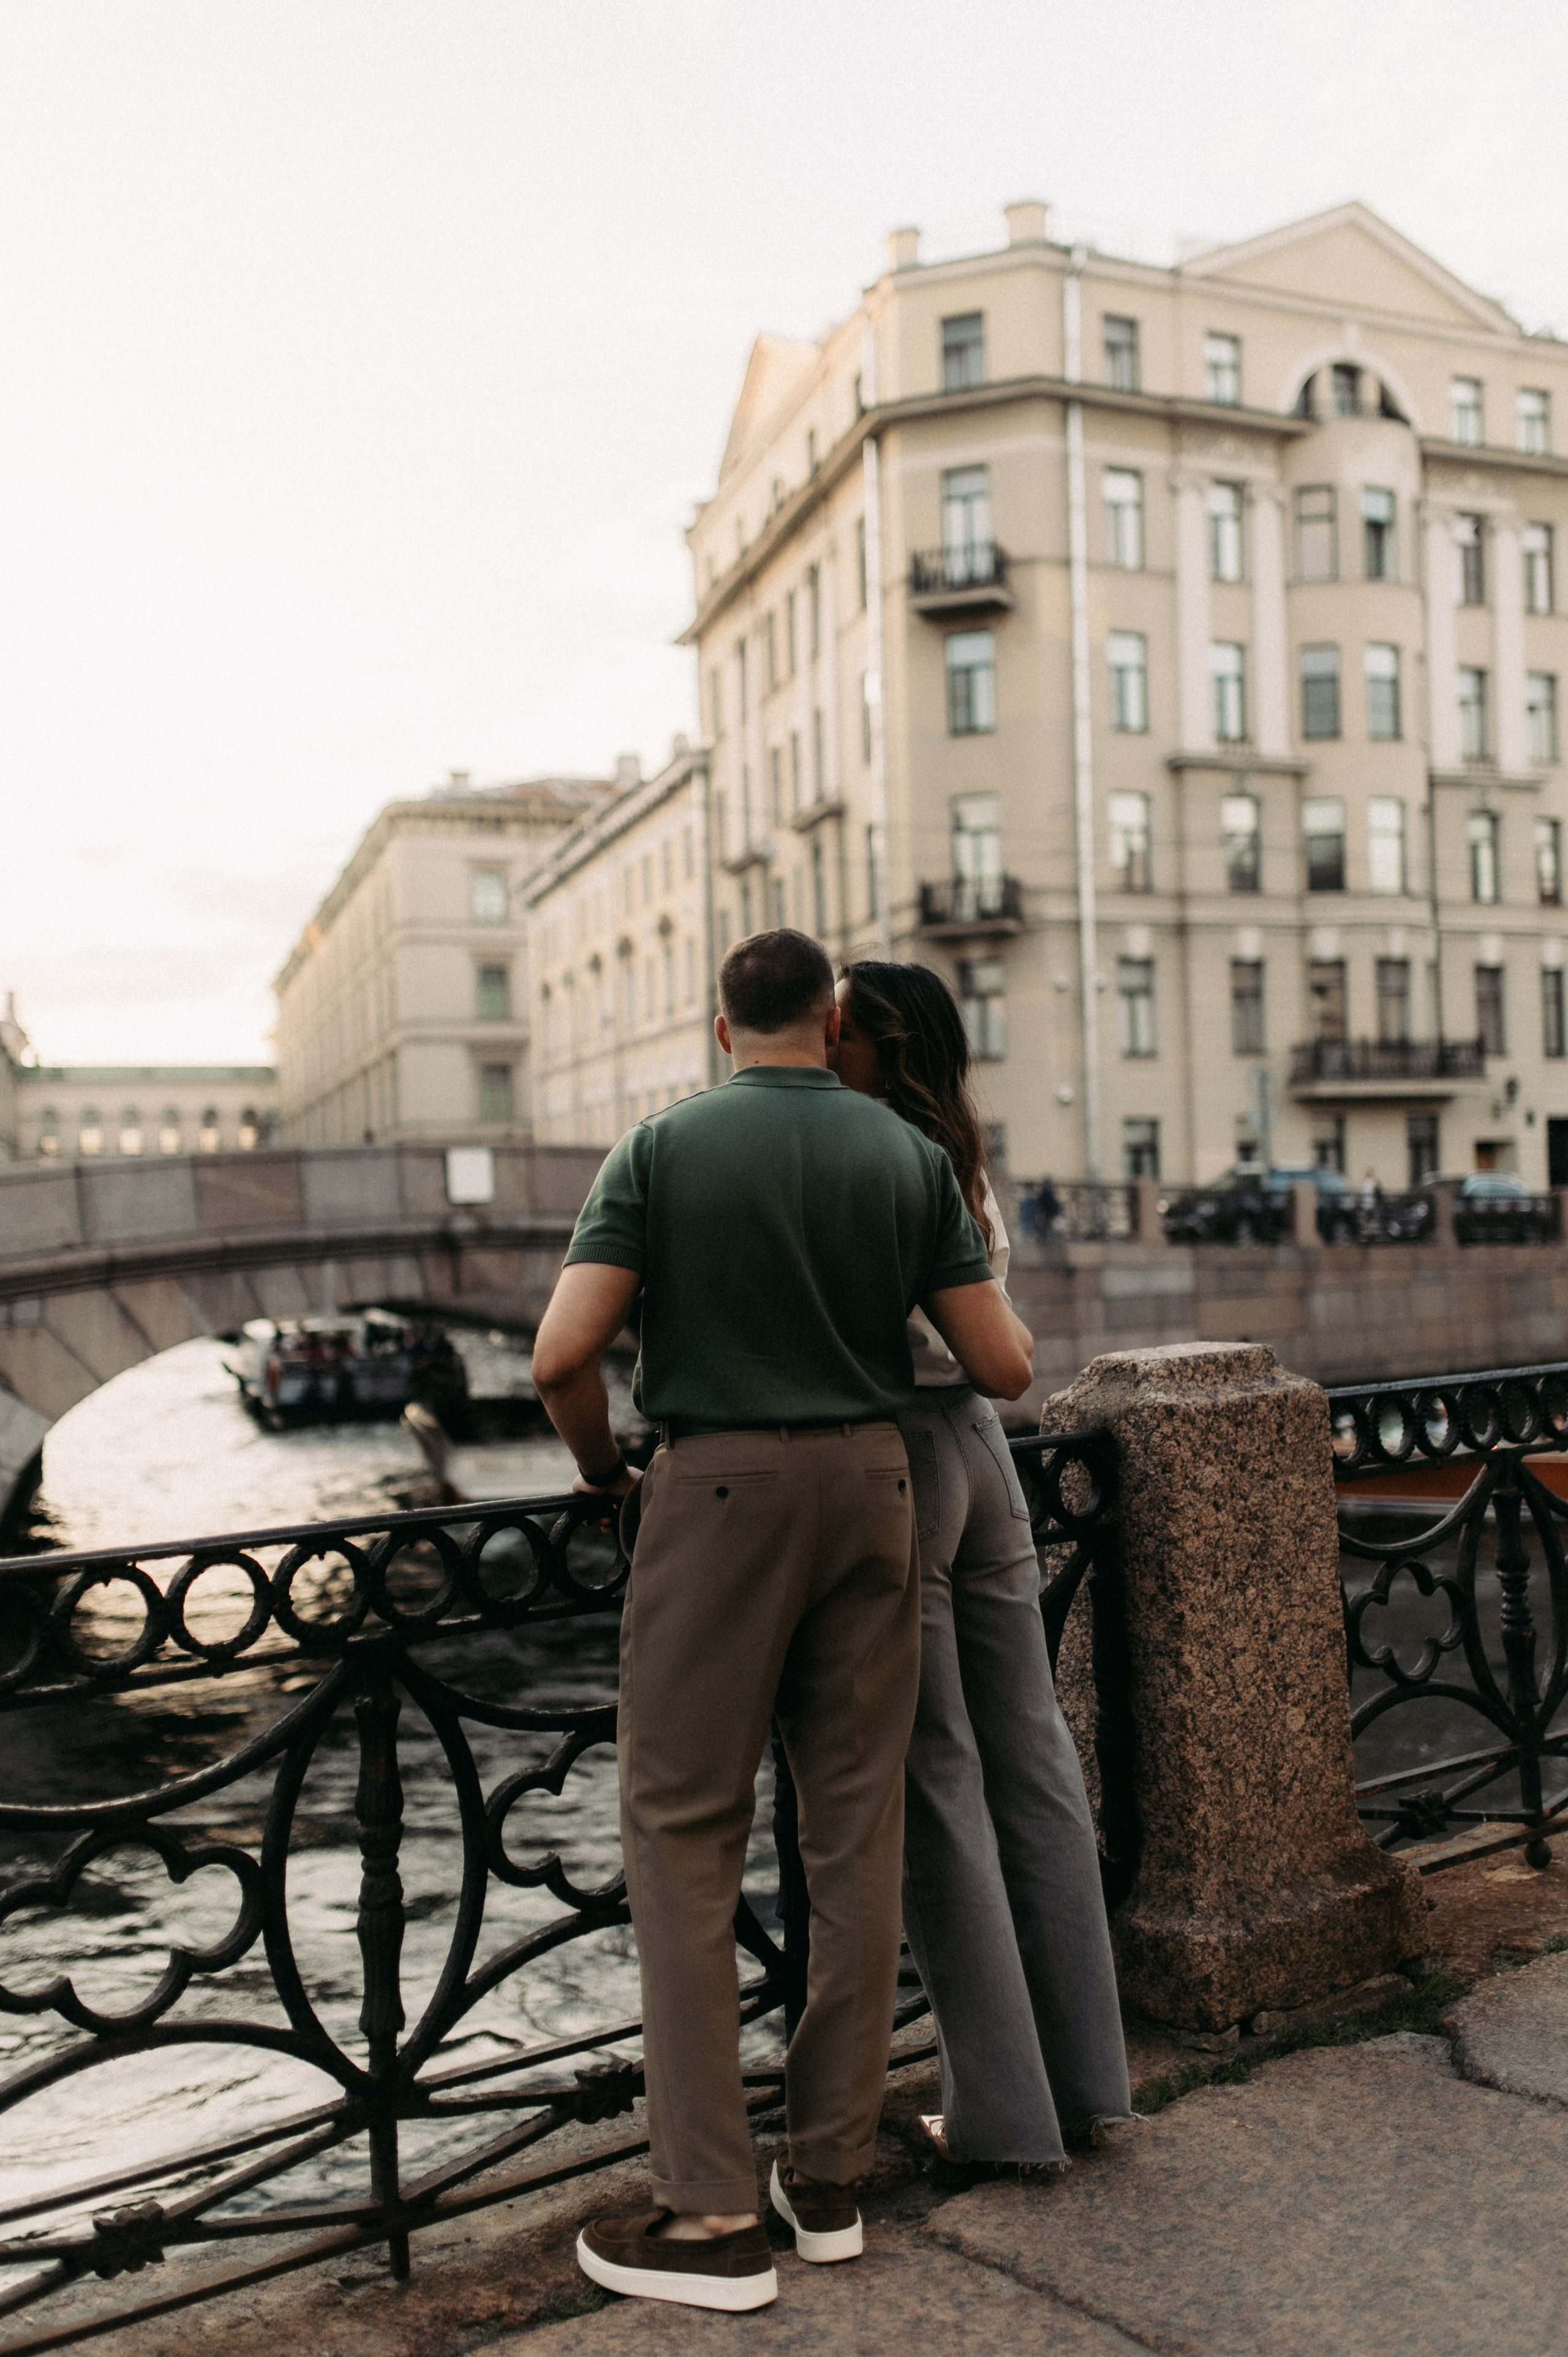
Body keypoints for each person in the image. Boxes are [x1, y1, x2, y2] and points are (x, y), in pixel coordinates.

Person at [530, 929, 1032, 2313]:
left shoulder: (658, 1147)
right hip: (872, 1487)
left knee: (685, 1834)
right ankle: (824, 2184)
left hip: (718, 1491)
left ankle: (704, 2214)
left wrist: (600, 1472)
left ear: (716, 1026)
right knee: (853, 1830)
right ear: (825, 1016)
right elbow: (1000, 1364)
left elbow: (563, 1354)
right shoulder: (905, 1158)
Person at [833, 959, 1132, 2171]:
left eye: (834, 1023)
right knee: (1036, 1758)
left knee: (939, 1779)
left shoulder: (863, 1156)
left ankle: (1000, 2116)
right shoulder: (958, 1152)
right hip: (988, 1462)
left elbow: (979, 1346)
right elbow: (999, 1343)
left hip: (906, 1454)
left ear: (872, 1045)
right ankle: (1087, 2083)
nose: (817, 1036)